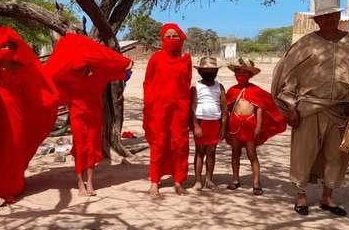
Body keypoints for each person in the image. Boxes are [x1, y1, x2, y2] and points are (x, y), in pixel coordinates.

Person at [271, 0, 349, 216]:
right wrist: (290, 108)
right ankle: (301, 195)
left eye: (334, 15)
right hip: (308, 108)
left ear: (338, 17)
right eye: (325, 16)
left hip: (342, 109)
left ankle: (327, 197)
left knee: (337, 156)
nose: (330, 19)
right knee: (304, 153)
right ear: (317, 20)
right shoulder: (305, 44)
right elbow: (287, 75)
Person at [0, 27, 58, 205]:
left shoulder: (23, 68)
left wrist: (48, 101)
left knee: (16, 149)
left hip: (18, 115)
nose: (6, 49)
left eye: (10, 45)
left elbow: (35, 89)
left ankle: (14, 187)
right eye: (3, 45)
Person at [44, 33, 132, 196]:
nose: (81, 69)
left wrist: (117, 60)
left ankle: (90, 182)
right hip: (77, 117)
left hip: (94, 116)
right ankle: (80, 182)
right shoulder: (68, 77)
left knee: (91, 148)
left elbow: (126, 68)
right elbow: (49, 81)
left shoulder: (99, 74)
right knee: (80, 148)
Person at [143, 23, 192, 197]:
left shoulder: (186, 59)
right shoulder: (155, 58)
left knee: (179, 144)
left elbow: (187, 83)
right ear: (163, 39)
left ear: (181, 38)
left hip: (179, 109)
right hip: (158, 109)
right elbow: (147, 83)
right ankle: (154, 182)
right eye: (168, 36)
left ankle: (178, 181)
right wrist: (149, 106)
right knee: (159, 143)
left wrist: (185, 106)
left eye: (175, 36)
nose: (171, 39)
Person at [225, 58, 287, 194]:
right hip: (234, 124)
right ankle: (235, 180)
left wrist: (258, 126)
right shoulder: (232, 91)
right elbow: (226, 110)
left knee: (251, 154)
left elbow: (259, 108)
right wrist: (225, 128)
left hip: (250, 125)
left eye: (244, 72)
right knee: (235, 153)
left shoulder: (255, 91)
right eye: (238, 72)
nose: (240, 75)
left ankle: (256, 182)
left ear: (250, 75)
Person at [191, 56, 227, 190]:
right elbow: (193, 107)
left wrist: (223, 127)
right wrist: (195, 125)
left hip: (215, 124)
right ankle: (198, 180)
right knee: (200, 152)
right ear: (200, 72)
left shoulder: (220, 87)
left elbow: (224, 109)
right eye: (206, 71)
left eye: (212, 70)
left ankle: (209, 180)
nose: (209, 73)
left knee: (212, 152)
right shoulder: (196, 86)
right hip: (201, 122)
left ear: (216, 72)